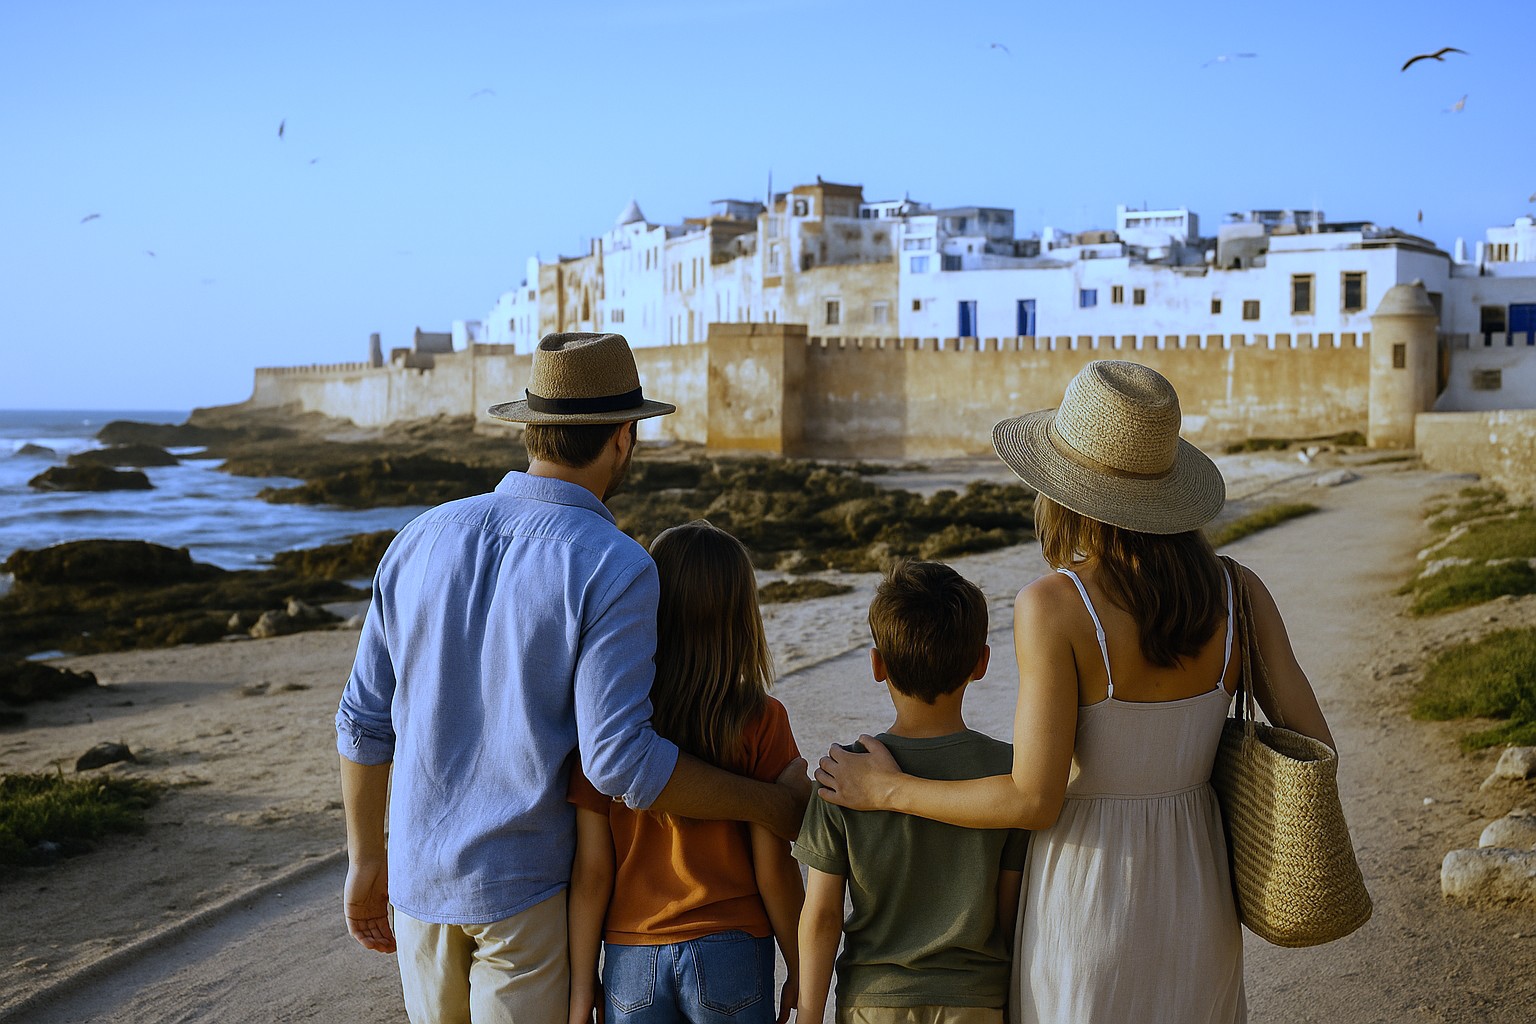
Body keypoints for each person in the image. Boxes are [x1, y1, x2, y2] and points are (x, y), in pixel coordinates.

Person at [814, 360, 1336, 1024]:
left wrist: (885, 790)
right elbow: (1315, 746)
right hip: (1200, 888)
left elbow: (1034, 798)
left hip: (1088, 893)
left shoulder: (1055, 606)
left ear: (1064, 488)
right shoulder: (1239, 592)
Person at [336, 333, 809, 1024]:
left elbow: (363, 721)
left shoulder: (419, 538)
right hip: (522, 890)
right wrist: (765, 805)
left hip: (418, 879)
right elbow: (620, 761)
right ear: (623, 438)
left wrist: (365, 861)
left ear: (530, 428)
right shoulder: (612, 564)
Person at [567, 520, 805, 1024]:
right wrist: (802, 962)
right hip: (733, 944)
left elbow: (592, 872)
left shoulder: (610, 726)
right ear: (742, 617)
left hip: (633, 953)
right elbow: (774, 865)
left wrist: (581, 982)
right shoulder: (760, 718)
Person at [795, 559, 1027, 1024]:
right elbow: (1010, 914)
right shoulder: (1009, 773)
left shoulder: (844, 771)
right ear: (981, 663)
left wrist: (809, 1016)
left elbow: (822, 916)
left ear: (877, 664)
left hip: (872, 999)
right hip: (976, 1000)